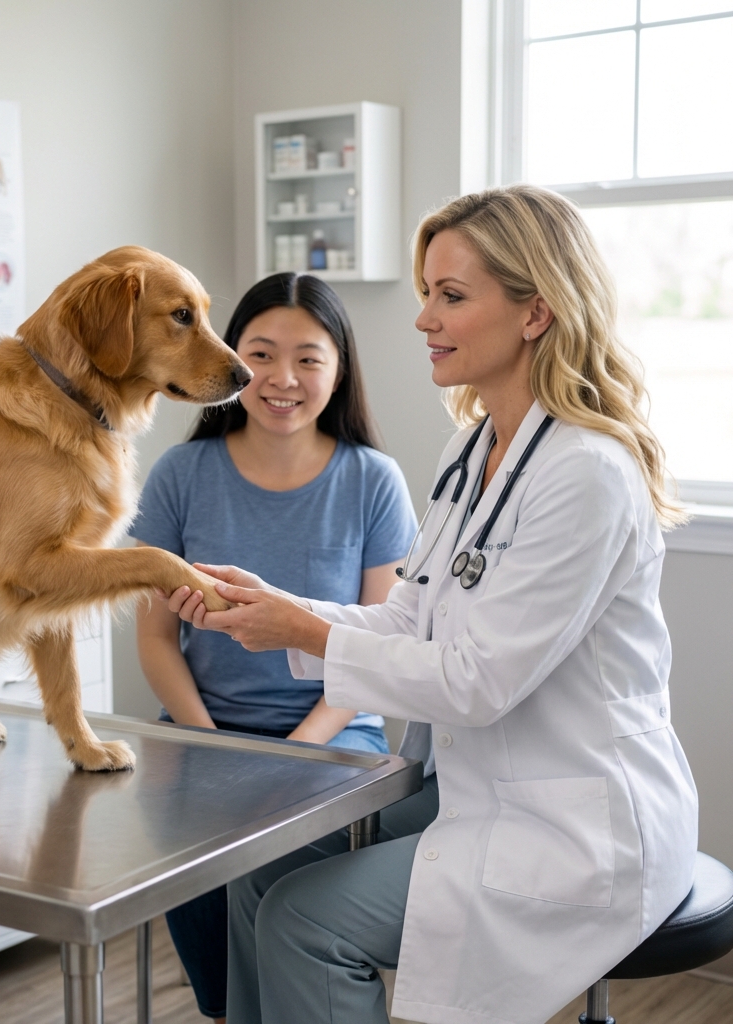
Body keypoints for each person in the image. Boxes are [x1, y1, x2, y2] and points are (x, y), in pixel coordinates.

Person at [169, 185, 699, 1024]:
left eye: (450, 296)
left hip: (577, 821)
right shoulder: (474, 450)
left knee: (308, 921)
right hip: (483, 782)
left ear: (535, 312)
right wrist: (278, 607)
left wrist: (300, 630)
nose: (422, 318)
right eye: (427, 293)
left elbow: (475, 682)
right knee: (259, 868)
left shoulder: (587, 473)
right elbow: (411, 622)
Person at [130, 272, 418, 1022]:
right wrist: (210, 744)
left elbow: (376, 646)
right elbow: (158, 638)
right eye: (259, 353)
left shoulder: (373, 482)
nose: (281, 379)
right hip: (204, 736)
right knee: (220, 970)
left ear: (340, 368)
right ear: (230, 357)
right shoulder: (180, 475)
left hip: (332, 736)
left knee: (288, 913)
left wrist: (291, 752)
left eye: (308, 358)